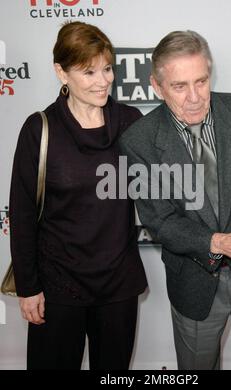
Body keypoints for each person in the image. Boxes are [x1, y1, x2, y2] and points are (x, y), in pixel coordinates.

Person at [120, 30, 231, 370]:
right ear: (157, 86)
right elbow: (160, 221)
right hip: (195, 284)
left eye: (201, 81)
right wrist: (218, 242)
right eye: (179, 86)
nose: (195, 97)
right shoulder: (138, 141)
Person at [9, 21, 147, 370]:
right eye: (89, 72)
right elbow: (23, 215)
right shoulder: (39, 129)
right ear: (61, 72)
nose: (104, 81)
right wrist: (28, 287)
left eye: (107, 69)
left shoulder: (131, 122)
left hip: (118, 285)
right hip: (57, 287)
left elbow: (158, 190)